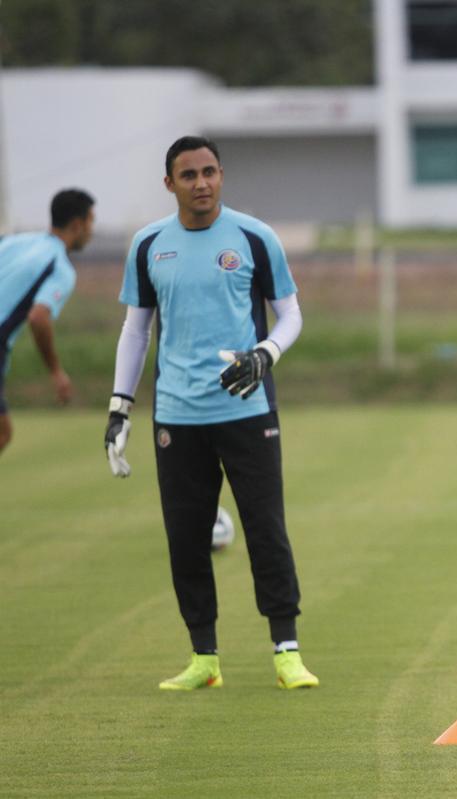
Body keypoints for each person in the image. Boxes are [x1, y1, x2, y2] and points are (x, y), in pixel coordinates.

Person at [104, 135, 318, 691]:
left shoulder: (254, 236)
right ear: (169, 183)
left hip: (247, 411)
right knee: (187, 537)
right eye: (189, 174)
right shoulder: (150, 244)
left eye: (209, 172)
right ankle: (204, 657)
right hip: (177, 415)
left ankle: (286, 651)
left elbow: (290, 315)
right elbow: (137, 329)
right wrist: (119, 407)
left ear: (222, 175)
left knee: (265, 529)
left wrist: (265, 354)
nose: (201, 183)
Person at [0, 189, 95, 455]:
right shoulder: (61, 268)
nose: (92, 231)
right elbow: (39, 318)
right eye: (91, 222)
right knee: (2, 432)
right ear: (77, 225)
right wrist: (56, 371)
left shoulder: (16, 242)